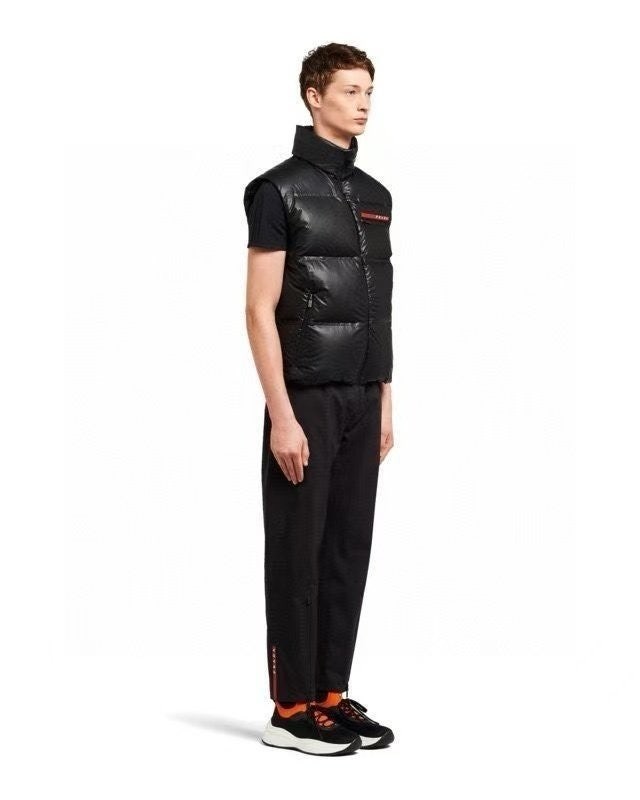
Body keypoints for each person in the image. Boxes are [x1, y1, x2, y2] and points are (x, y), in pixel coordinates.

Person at [243, 42, 395, 756]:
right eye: (350, 90)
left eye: (369, 91)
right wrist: (281, 414)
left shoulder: (375, 195)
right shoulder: (275, 191)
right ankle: (290, 708)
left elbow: (378, 307)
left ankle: (330, 695)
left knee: (346, 550)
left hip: (363, 395)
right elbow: (258, 308)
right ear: (314, 96)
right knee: (296, 553)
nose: (363, 103)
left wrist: (385, 400)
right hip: (304, 398)